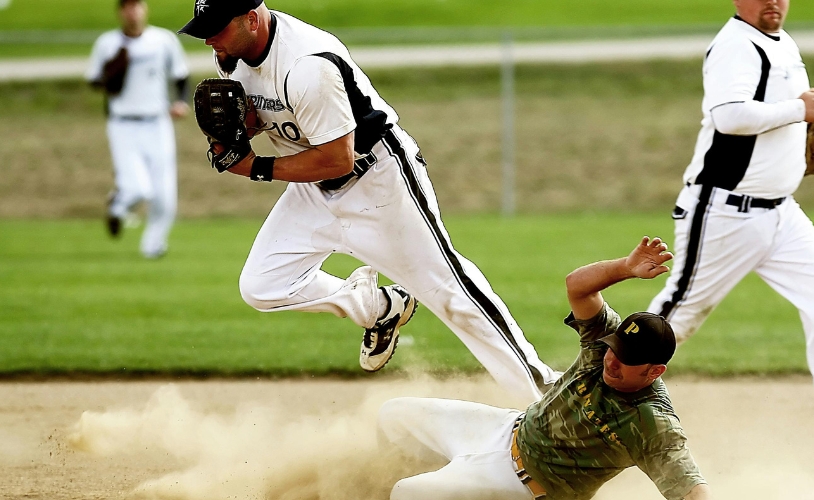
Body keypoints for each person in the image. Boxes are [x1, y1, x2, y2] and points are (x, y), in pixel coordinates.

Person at [177, 0, 559, 401]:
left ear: (251, 19)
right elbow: (263, 116)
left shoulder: (308, 65)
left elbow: (336, 157)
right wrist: (235, 135)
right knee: (263, 285)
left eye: (217, 28)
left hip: (378, 181)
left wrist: (255, 167)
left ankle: (545, 392)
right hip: (314, 188)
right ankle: (382, 308)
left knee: (450, 292)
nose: (208, 39)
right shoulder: (231, 56)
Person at [646, 0, 814, 461]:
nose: (774, 2)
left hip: (782, 214)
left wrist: (798, 145)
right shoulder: (735, 46)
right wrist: (798, 110)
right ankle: (587, 396)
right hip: (724, 212)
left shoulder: (782, 43)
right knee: (676, 319)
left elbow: (777, 119)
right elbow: (730, 117)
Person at [378, 237, 711, 500]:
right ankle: (451, 482)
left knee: (408, 493)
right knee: (392, 417)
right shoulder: (602, 344)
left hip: (524, 485)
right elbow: (577, 286)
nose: (613, 360)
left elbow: (692, 489)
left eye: (627, 360)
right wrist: (624, 267)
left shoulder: (651, 422)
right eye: (615, 349)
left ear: (655, 372)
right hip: (506, 429)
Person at [86, 0, 190, 259]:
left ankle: (153, 246)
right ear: (120, 11)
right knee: (139, 189)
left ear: (145, 8)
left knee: (164, 194)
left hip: (158, 122)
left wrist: (180, 101)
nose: (133, 11)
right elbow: (94, 80)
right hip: (123, 124)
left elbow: (181, 75)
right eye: (127, 6)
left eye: (137, 5)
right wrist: (111, 76)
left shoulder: (163, 40)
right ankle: (118, 206)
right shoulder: (108, 43)